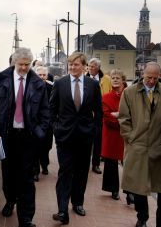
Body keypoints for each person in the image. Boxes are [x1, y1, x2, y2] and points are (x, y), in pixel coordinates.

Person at [0, 47, 50, 227]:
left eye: (27, 65)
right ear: (14, 62)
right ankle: (10, 200)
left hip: (29, 138)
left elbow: (46, 112)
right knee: (9, 174)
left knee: (27, 179)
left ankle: (26, 218)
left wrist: (40, 132)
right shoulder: (1, 79)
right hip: (7, 136)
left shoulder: (38, 83)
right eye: (20, 64)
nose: (23, 68)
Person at [118, 62, 161, 227]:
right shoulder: (129, 93)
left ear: (160, 76)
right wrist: (131, 138)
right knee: (138, 187)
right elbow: (124, 119)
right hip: (138, 147)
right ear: (142, 74)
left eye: (155, 78)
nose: (151, 81)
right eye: (148, 77)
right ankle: (142, 217)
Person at [50, 52, 103, 224]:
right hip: (64, 137)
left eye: (76, 64)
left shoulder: (93, 85)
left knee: (81, 172)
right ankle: (62, 210)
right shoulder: (60, 84)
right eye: (70, 64)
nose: (72, 67)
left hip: (85, 137)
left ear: (84, 66)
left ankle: (78, 203)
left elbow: (99, 112)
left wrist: (94, 131)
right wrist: (56, 129)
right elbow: (51, 110)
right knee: (65, 172)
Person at [100, 69, 132, 202]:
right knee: (111, 164)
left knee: (130, 163)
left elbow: (136, 114)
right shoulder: (106, 97)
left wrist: (119, 115)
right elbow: (107, 117)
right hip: (112, 134)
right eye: (112, 77)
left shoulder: (131, 95)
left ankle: (130, 192)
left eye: (117, 77)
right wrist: (123, 118)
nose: (115, 80)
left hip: (128, 135)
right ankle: (113, 189)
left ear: (123, 80)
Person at [86, 58, 112, 175]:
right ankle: (84, 164)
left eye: (93, 66)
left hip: (99, 114)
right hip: (86, 115)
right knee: (86, 142)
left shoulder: (106, 80)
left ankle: (95, 164)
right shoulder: (83, 78)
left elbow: (108, 94)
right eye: (89, 66)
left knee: (98, 141)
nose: (90, 68)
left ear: (98, 68)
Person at [33, 65, 54, 182]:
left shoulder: (52, 87)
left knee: (47, 146)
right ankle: (35, 171)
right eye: (39, 75)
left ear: (47, 75)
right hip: (35, 123)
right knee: (35, 147)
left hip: (48, 122)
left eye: (43, 75)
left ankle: (44, 164)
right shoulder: (31, 87)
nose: (41, 77)